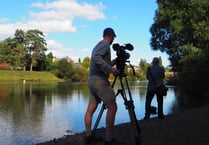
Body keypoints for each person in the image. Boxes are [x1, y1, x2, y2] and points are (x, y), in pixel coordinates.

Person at [84, 28, 123, 145]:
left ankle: (88, 136)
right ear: (110, 36)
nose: (113, 40)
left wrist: (115, 61)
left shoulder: (98, 45)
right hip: (100, 81)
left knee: (91, 109)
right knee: (112, 107)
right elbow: (96, 58)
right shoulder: (105, 44)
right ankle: (109, 139)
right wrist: (111, 69)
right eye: (113, 37)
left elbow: (101, 62)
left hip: (92, 81)